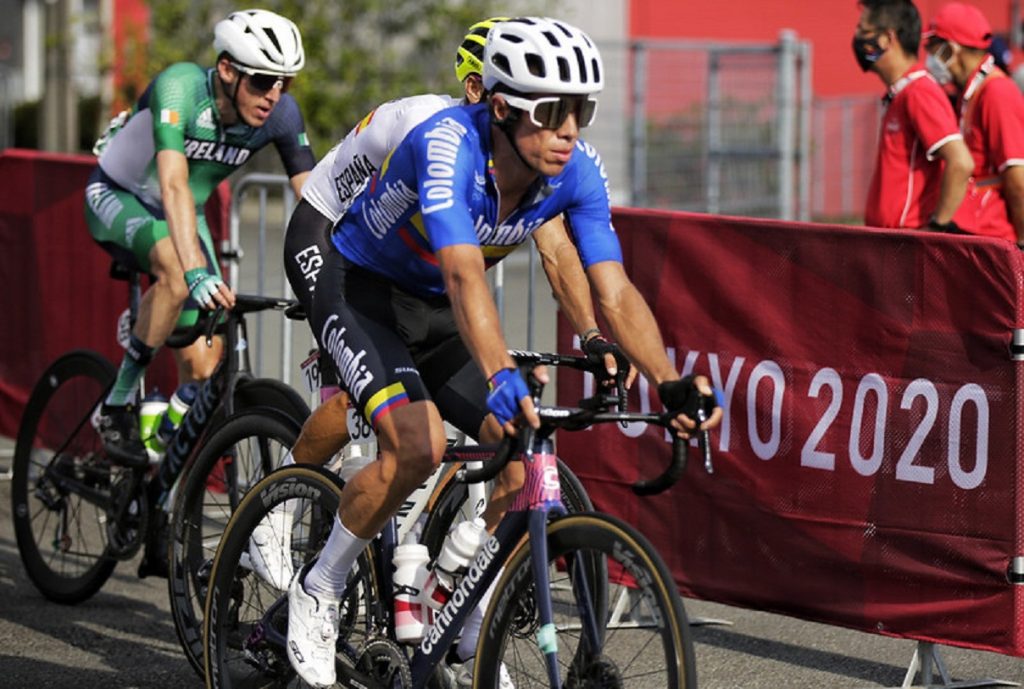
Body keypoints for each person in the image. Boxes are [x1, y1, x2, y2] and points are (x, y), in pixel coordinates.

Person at [286, 17, 723, 688]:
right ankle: (320, 585)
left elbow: (613, 286)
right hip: (363, 291)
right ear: (500, 109)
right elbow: (466, 275)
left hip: (436, 308)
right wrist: (500, 376)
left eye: (580, 111)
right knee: (419, 443)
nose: (569, 130)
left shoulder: (576, 171)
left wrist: (668, 381)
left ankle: (457, 599)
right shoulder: (446, 145)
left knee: (524, 461)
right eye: (551, 112)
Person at [250, 17, 628, 590]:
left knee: (456, 413)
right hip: (331, 240)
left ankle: (442, 583)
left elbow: (556, 251)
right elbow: (330, 198)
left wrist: (592, 334)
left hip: (423, 286)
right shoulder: (424, 125)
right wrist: (329, 303)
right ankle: (277, 509)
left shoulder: (521, 161)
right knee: (362, 394)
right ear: (481, 90)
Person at [85, 9, 314, 472]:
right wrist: (194, 271)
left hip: (183, 212)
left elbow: (313, 198)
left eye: (283, 83)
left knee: (206, 365)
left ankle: (158, 450)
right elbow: (172, 184)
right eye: (262, 81)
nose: (273, 95)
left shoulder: (281, 114)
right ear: (227, 70)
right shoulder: (181, 87)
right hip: (120, 195)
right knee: (177, 272)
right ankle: (115, 403)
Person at [854, 0, 974, 230]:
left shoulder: (919, 91)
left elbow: (961, 162)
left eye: (863, 30)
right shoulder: (901, 93)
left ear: (887, 39)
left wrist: (936, 228)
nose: (857, 38)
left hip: (906, 241)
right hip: (889, 242)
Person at [923, 2, 1024, 243]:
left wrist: (1021, 247)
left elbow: (1018, 178)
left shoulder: (997, 92)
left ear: (951, 48)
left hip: (995, 243)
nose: (928, 56)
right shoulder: (972, 92)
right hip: (978, 239)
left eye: (932, 46)